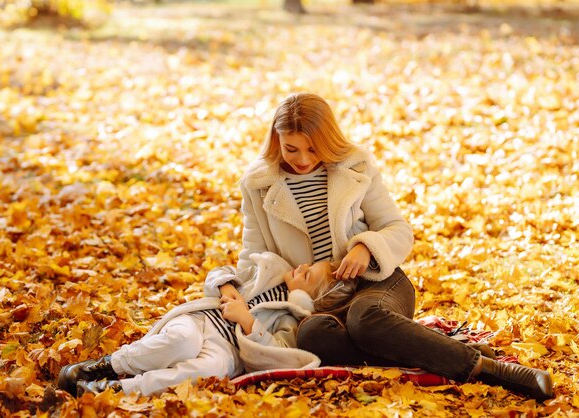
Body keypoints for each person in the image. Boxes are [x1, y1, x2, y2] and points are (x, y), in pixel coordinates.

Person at [217, 92, 553, 401]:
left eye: (313, 148)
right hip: (319, 302)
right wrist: (229, 286)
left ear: (328, 140)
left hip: (377, 284)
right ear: (277, 141)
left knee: (365, 319)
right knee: (312, 335)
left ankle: (493, 371)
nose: (303, 159)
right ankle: (441, 349)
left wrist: (365, 248)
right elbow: (253, 254)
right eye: (292, 149)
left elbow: (398, 229)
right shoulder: (258, 184)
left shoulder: (354, 166)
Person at [57, 252, 338, 397]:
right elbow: (221, 270)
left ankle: (118, 390)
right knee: (182, 342)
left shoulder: (294, 320)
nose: (302, 267)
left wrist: (248, 321)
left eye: (309, 274)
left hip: (228, 349)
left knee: (209, 370)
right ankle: (108, 366)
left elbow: (277, 355)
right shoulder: (269, 270)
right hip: (202, 319)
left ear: (313, 295)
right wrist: (225, 285)